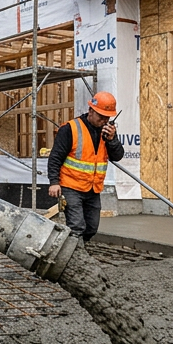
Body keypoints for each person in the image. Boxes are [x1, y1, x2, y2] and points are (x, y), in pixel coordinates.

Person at [47, 91, 125, 244]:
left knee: (91, 227)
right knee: (76, 226)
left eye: (107, 117)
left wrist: (112, 140)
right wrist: (54, 182)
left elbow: (117, 156)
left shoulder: (108, 132)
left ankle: (77, 248)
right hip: (70, 186)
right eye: (100, 117)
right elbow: (55, 157)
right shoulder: (70, 129)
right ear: (91, 111)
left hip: (93, 188)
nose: (104, 121)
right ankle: (74, 256)